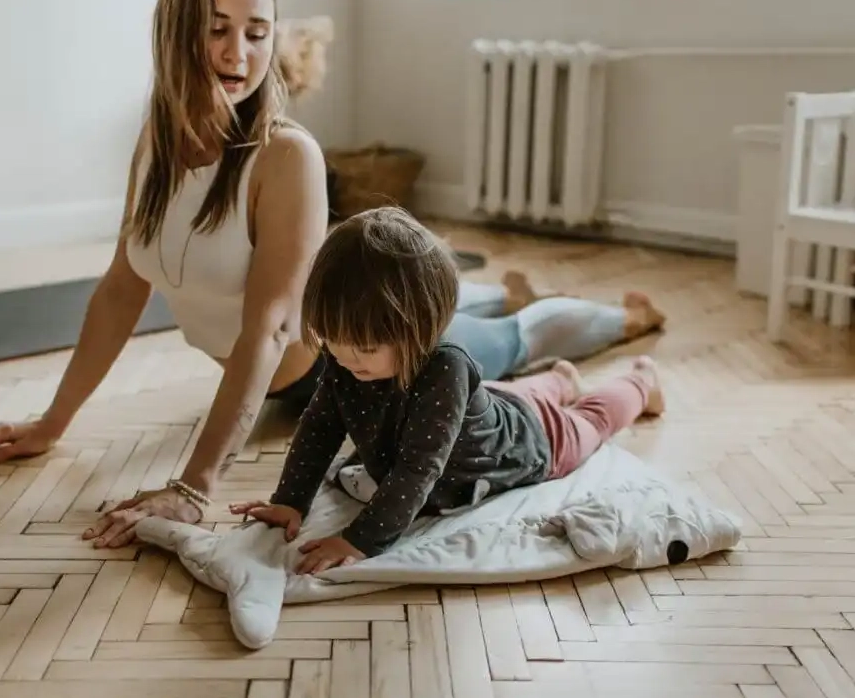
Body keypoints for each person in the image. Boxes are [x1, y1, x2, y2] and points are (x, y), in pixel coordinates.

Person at [0, 0, 664, 549]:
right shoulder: (157, 144)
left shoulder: (285, 156)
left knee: (511, 340)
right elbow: (119, 291)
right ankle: (501, 308)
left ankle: (624, 323)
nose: (239, 52)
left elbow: (265, 332)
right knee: (487, 328)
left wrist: (194, 487)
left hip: (368, 362)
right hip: (325, 359)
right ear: (175, 30)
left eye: (257, 31)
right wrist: (52, 422)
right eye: (217, 28)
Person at [231, 207, 665, 573]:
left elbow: (418, 469)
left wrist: (360, 540)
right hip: (492, 402)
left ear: (420, 329)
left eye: (364, 348)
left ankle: (642, 382)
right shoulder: (348, 357)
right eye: (334, 344)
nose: (347, 360)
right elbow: (320, 425)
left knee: (590, 420)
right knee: (518, 394)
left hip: (531, 440)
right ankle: (561, 378)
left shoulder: (446, 368)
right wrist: (290, 500)